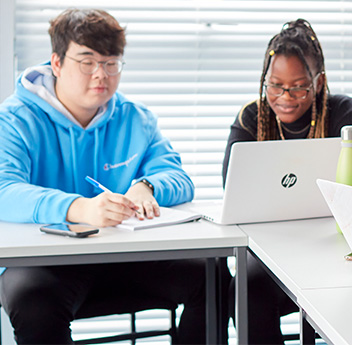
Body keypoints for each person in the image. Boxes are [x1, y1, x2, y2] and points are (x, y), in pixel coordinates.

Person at [0, 9, 206, 344]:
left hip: (123, 256)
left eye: (112, 63)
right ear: (56, 63)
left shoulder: (135, 118)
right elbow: (3, 191)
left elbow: (178, 178)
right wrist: (77, 208)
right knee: (31, 300)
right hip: (48, 266)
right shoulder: (15, 120)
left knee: (209, 276)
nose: (101, 75)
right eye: (87, 61)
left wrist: (146, 186)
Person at [223, 19, 352, 344]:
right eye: (275, 85)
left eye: (299, 86)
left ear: (319, 82)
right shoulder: (252, 117)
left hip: (330, 247)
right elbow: (233, 191)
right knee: (245, 291)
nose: (286, 96)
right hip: (266, 251)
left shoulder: (342, 113)